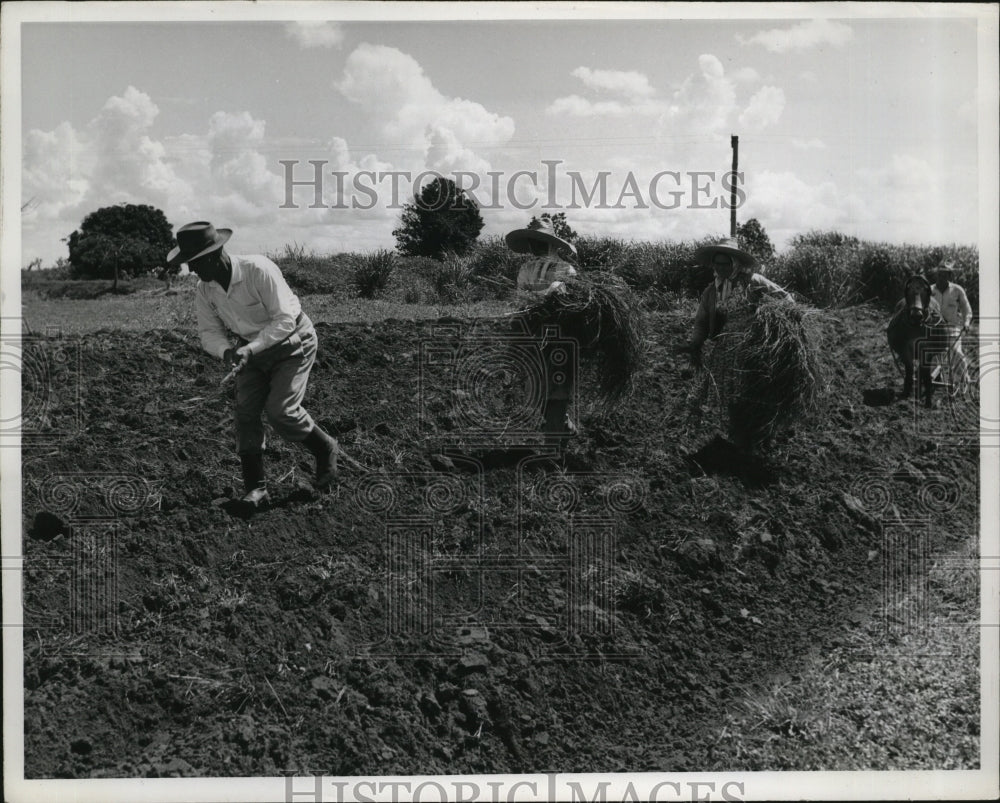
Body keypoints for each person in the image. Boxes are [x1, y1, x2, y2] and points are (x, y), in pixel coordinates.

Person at [166, 221, 341, 510]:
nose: (191, 271)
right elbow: (209, 333)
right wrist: (227, 353)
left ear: (214, 255)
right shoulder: (205, 289)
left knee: (281, 411)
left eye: (194, 264)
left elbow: (284, 320)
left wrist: (250, 348)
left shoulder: (258, 270)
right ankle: (256, 489)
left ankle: (324, 447)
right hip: (251, 349)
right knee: (245, 412)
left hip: (293, 341)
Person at [505, 220, 579, 442]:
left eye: (540, 242)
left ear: (551, 244)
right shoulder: (526, 269)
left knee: (556, 389)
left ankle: (555, 447)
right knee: (537, 390)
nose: (536, 246)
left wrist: (550, 292)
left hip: (558, 337)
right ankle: (563, 425)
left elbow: (561, 292)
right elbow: (520, 297)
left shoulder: (566, 269)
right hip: (532, 336)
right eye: (533, 242)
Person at [680, 237, 792, 367]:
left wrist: (786, 323)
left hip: (752, 351)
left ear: (734, 263)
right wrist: (695, 345)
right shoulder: (711, 292)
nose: (720, 268)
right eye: (717, 263)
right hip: (723, 352)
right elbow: (701, 321)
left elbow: (785, 298)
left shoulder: (753, 282)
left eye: (724, 264)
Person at [930, 259, 974, 388]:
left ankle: (964, 378)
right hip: (934, 328)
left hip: (951, 327)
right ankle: (934, 376)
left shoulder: (957, 290)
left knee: (956, 351)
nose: (941, 277)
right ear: (936, 275)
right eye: (939, 274)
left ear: (949, 275)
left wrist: (966, 323)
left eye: (945, 274)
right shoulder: (929, 290)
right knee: (929, 351)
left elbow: (967, 309)